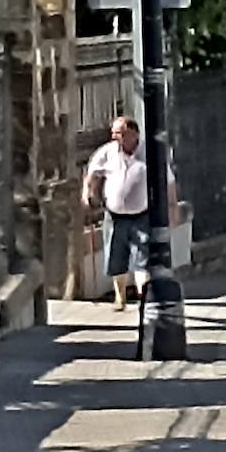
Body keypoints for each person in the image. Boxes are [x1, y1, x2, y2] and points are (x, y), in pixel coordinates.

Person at [82, 117, 176, 311]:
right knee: (116, 258)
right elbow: (91, 175)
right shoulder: (107, 152)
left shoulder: (149, 152)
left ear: (134, 134)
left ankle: (144, 298)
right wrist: (87, 194)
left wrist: (172, 207)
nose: (114, 137)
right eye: (114, 133)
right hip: (115, 216)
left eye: (120, 133)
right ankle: (120, 297)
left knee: (143, 258)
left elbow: (169, 182)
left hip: (142, 214)